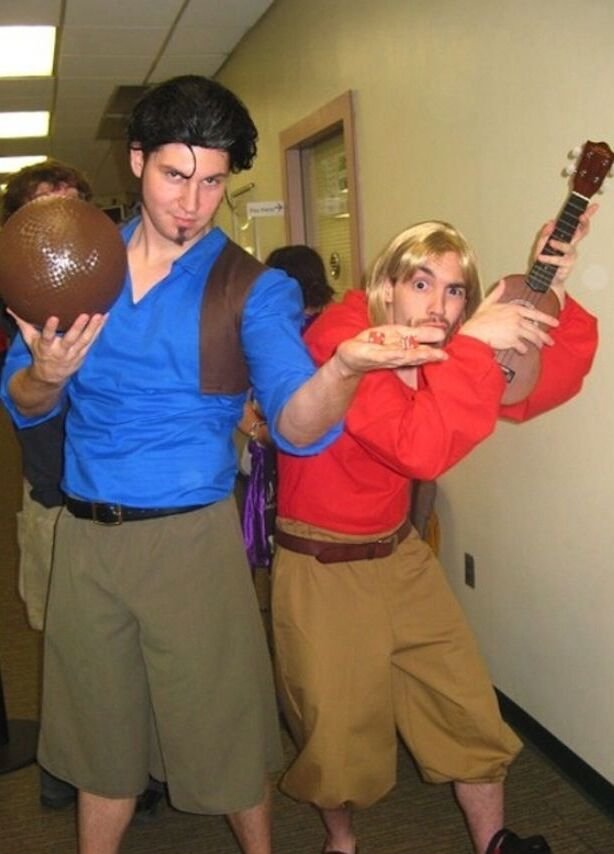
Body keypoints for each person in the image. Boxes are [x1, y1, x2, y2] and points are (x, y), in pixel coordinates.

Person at [0, 76, 449, 854]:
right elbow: (24, 401)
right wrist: (48, 373)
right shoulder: (78, 265)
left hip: (191, 543)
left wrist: (343, 369)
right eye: (175, 175)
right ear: (136, 160)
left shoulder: (251, 289)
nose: (192, 203)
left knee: (227, 735)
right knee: (101, 742)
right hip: (85, 540)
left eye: (212, 182)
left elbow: (296, 425)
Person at [272, 218, 598, 854]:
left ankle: (494, 843)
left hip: (400, 553)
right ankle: (342, 843)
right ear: (387, 285)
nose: (439, 306)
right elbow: (416, 448)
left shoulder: (445, 345)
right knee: (336, 736)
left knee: (465, 705)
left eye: (454, 291)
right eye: (421, 283)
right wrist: (473, 344)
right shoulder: (342, 336)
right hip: (322, 563)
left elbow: (537, 387)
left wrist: (550, 292)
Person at [0, 159, 92, 811]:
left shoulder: (119, 289)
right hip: (54, 501)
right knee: (66, 646)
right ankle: (66, 764)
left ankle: (132, 763)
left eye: (74, 206)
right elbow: (23, 398)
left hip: (125, 505)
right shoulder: (19, 309)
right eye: (44, 211)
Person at [237, 244, 335, 572]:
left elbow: (243, 396)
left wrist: (257, 431)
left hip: (282, 453)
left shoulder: (278, 332)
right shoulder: (338, 328)